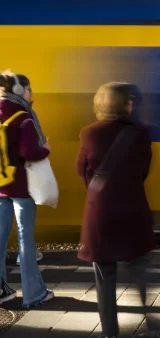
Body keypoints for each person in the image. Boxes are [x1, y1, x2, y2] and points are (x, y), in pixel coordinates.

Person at [77, 82, 160, 338]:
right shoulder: (141, 133)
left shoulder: (89, 133)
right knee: (139, 271)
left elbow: (82, 171)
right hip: (132, 211)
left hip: (100, 214)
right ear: (126, 104)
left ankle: (110, 333)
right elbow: (144, 170)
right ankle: (150, 323)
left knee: (104, 279)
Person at [0, 70, 54, 307]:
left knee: (0, 240)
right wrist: (46, 149)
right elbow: (29, 152)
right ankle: (33, 294)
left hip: (0, 186)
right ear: (20, 91)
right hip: (22, 187)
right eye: (30, 89)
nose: (32, 94)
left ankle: (1, 290)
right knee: (25, 241)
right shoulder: (23, 117)